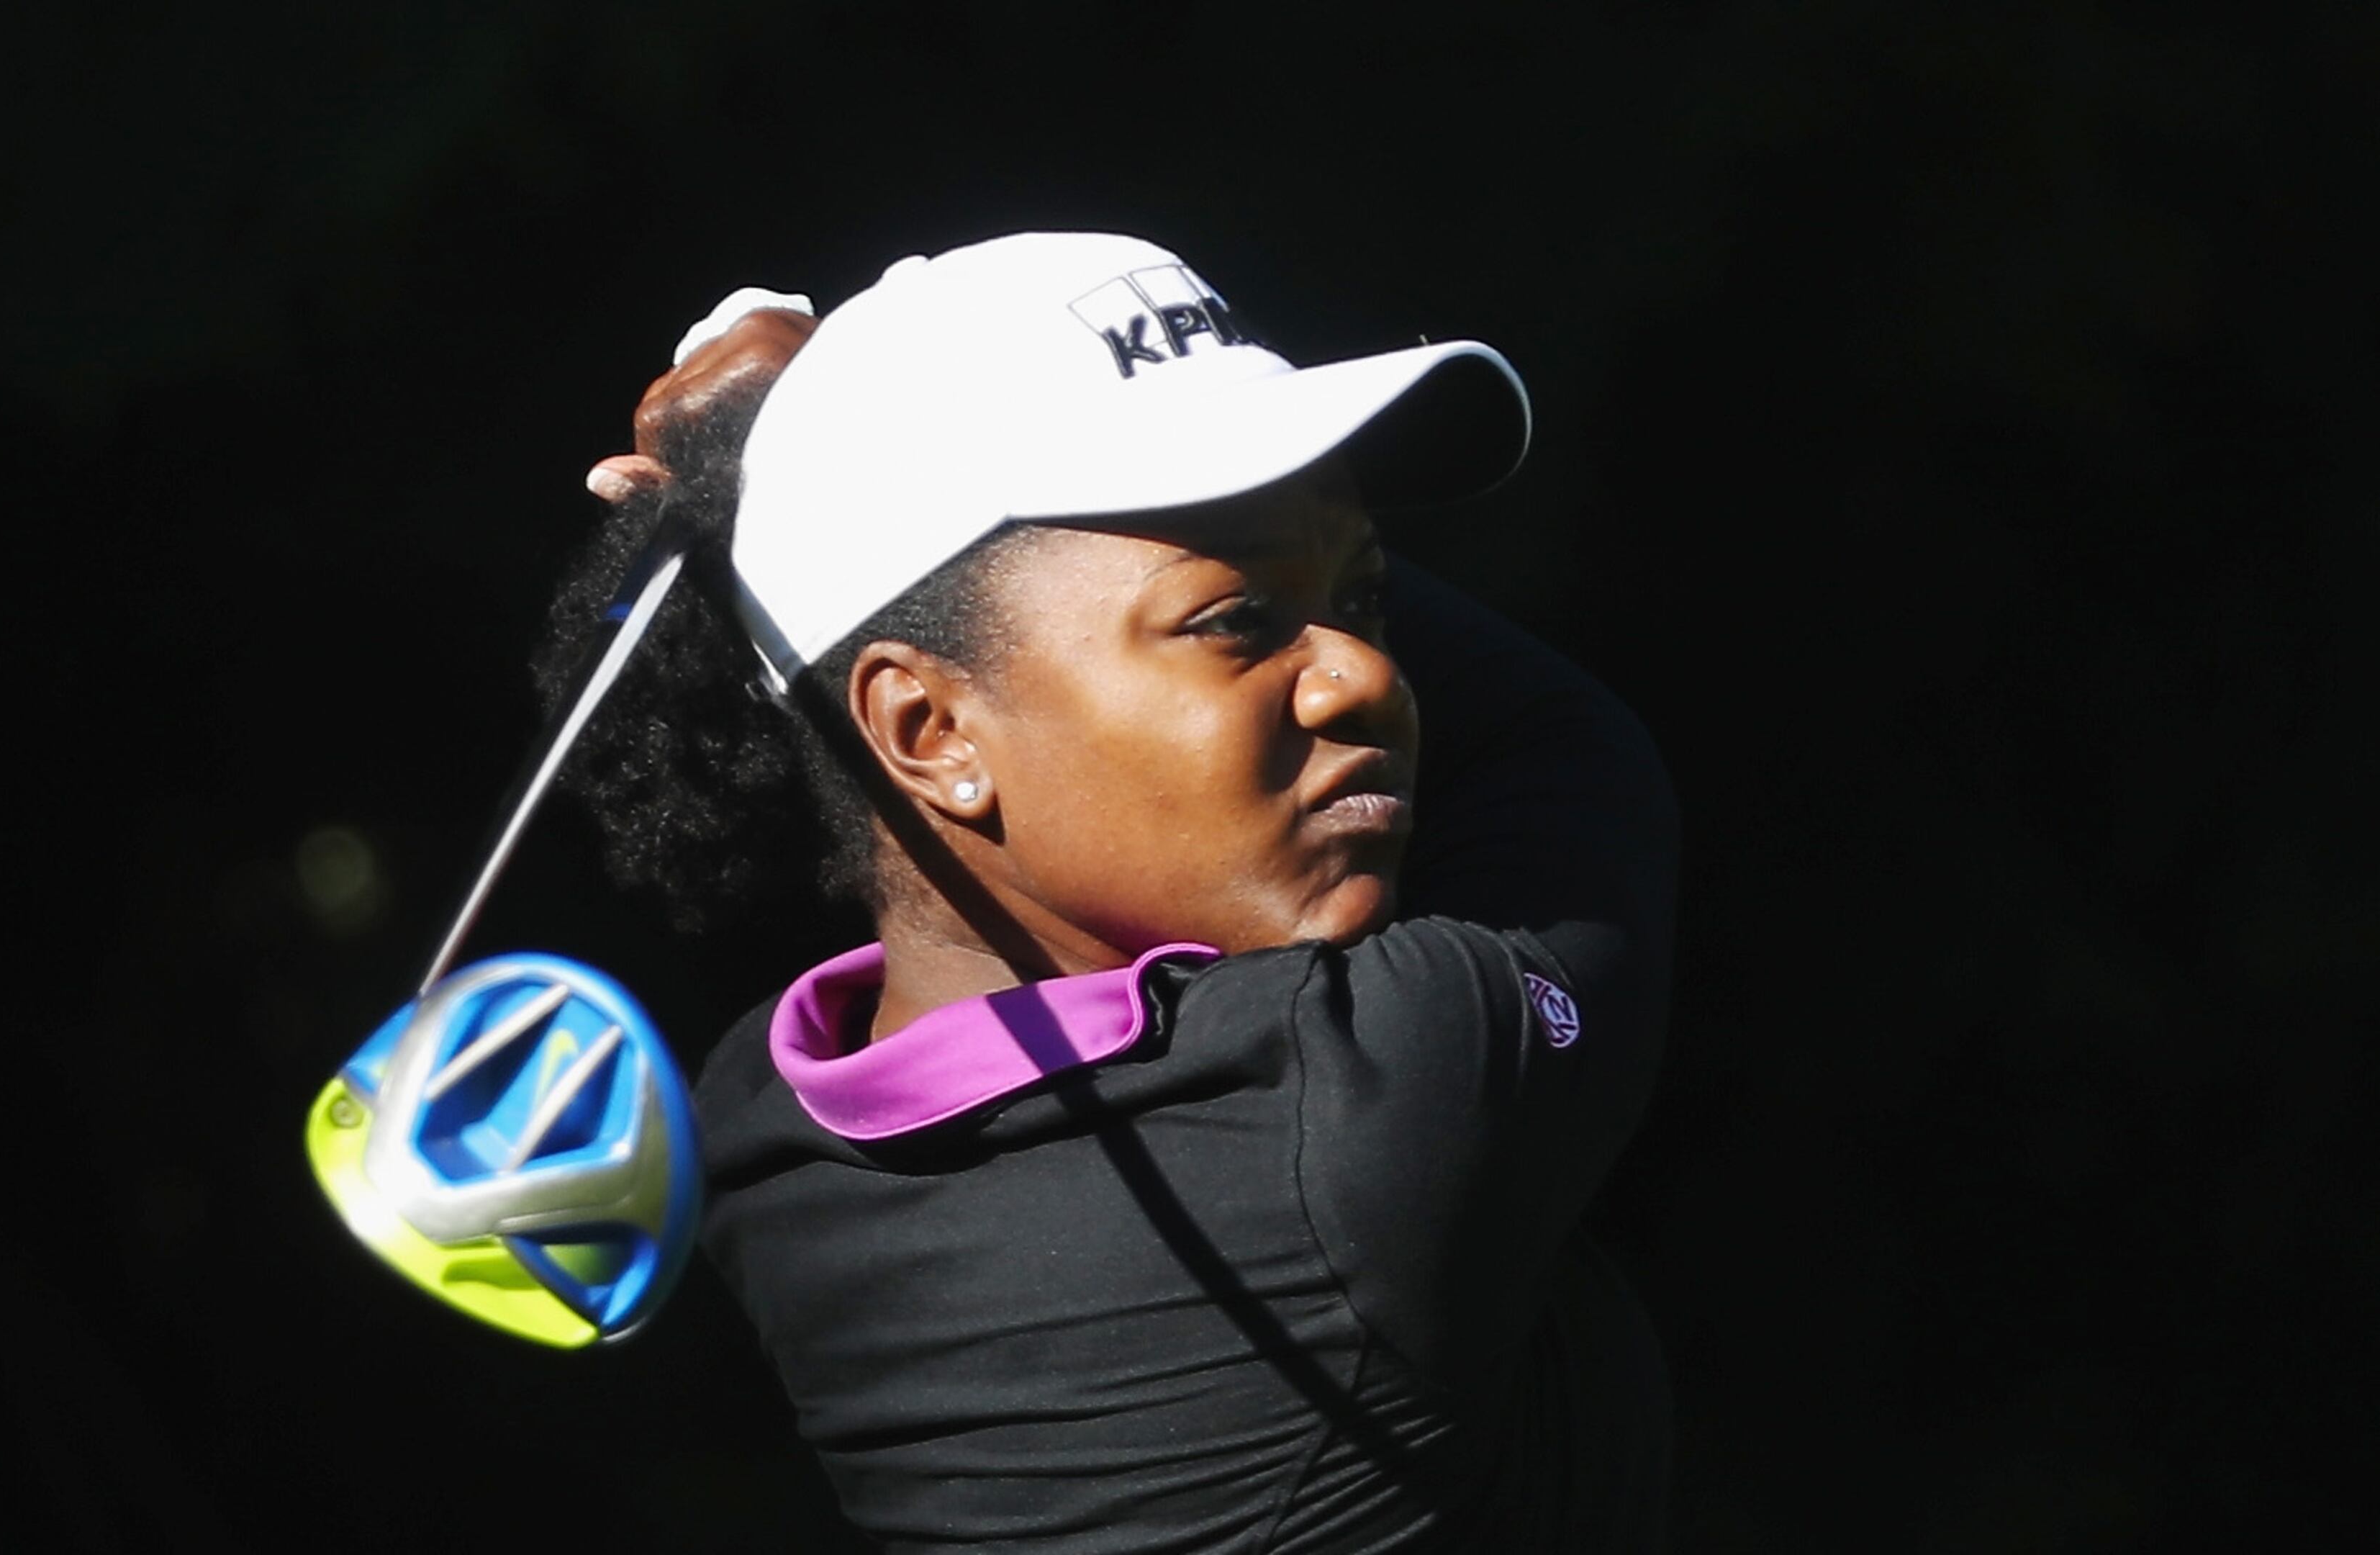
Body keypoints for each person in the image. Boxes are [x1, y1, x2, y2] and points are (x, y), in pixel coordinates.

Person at [540, 233, 1679, 1551]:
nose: (1366, 677)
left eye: (1362, 597)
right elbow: (1562, 747)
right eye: (1236, 622)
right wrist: (798, 454)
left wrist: (789, 488)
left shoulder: (763, 1122)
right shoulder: (1373, 1114)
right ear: (928, 732)